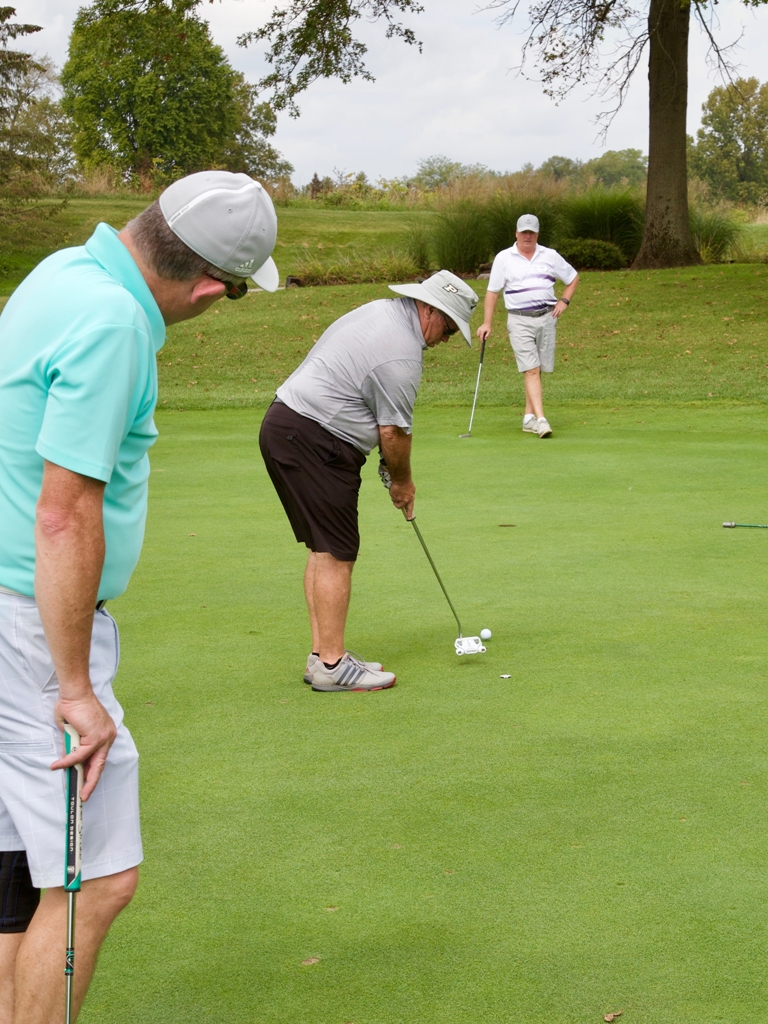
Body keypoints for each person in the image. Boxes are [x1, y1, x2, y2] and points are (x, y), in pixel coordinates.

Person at [0, 170, 278, 1023]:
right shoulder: (116, 322)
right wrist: (76, 689)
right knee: (97, 879)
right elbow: (64, 513)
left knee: (16, 873)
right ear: (209, 287)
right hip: (30, 626)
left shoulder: (62, 271)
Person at [259, 270, 478, 693]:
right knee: (337, 552)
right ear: (429, 309)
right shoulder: (401, 356)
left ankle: (322, 656)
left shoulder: (381, 311)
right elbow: (393, 433)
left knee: (323, 548)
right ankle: (333, 664)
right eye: (449, 329)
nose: (446, 340)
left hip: (286, 426)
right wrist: (402, 483)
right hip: (315, 438)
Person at [477, 214, 578, 438]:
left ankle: (528, 418)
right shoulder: (504, 258)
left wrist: (564, 301)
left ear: (537, 234)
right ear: (516, 233)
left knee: (537, 369)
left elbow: (572, 278)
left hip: (546, 317)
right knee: (531, 369)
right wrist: (487, 323)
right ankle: (541, 420)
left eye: (531, 232)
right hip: (519, 319)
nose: (527, 236)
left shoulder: (550, 255)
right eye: (524, 232)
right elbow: (492, 292)